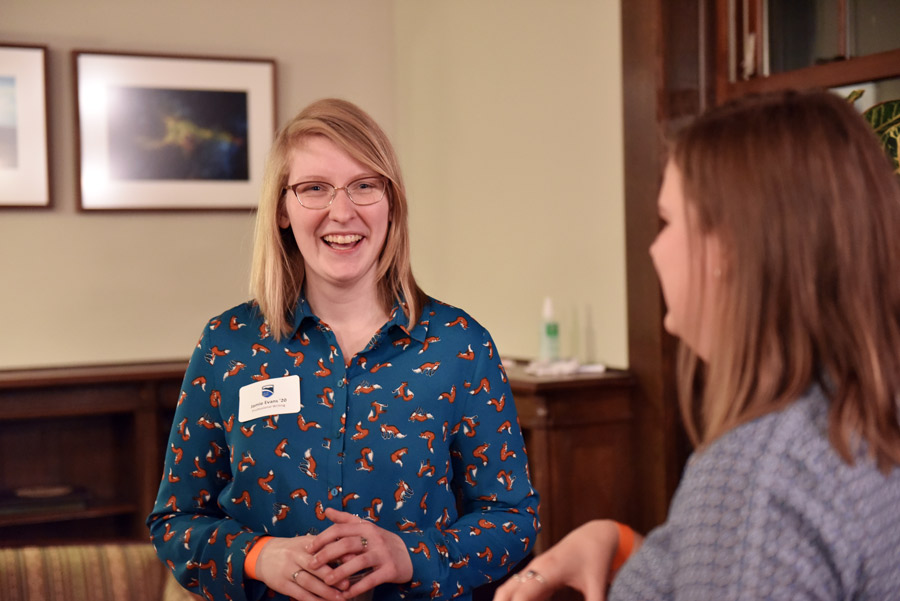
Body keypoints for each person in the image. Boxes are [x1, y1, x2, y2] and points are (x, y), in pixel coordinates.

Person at [496, 89, 900, 601]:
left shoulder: (758, 476)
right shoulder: (860, 416)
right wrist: (617, 543)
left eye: (667, 222)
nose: (654, 247)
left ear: (726, 248)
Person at [147, 98, 540, 601]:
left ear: (390, 201)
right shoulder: (228, 345)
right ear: (283, 210)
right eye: (314, 189)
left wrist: (408, 556)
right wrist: (257, 555)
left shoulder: (459, 346)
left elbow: (513, 519)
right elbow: (175, 521)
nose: (342, 211)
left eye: (364, 185)